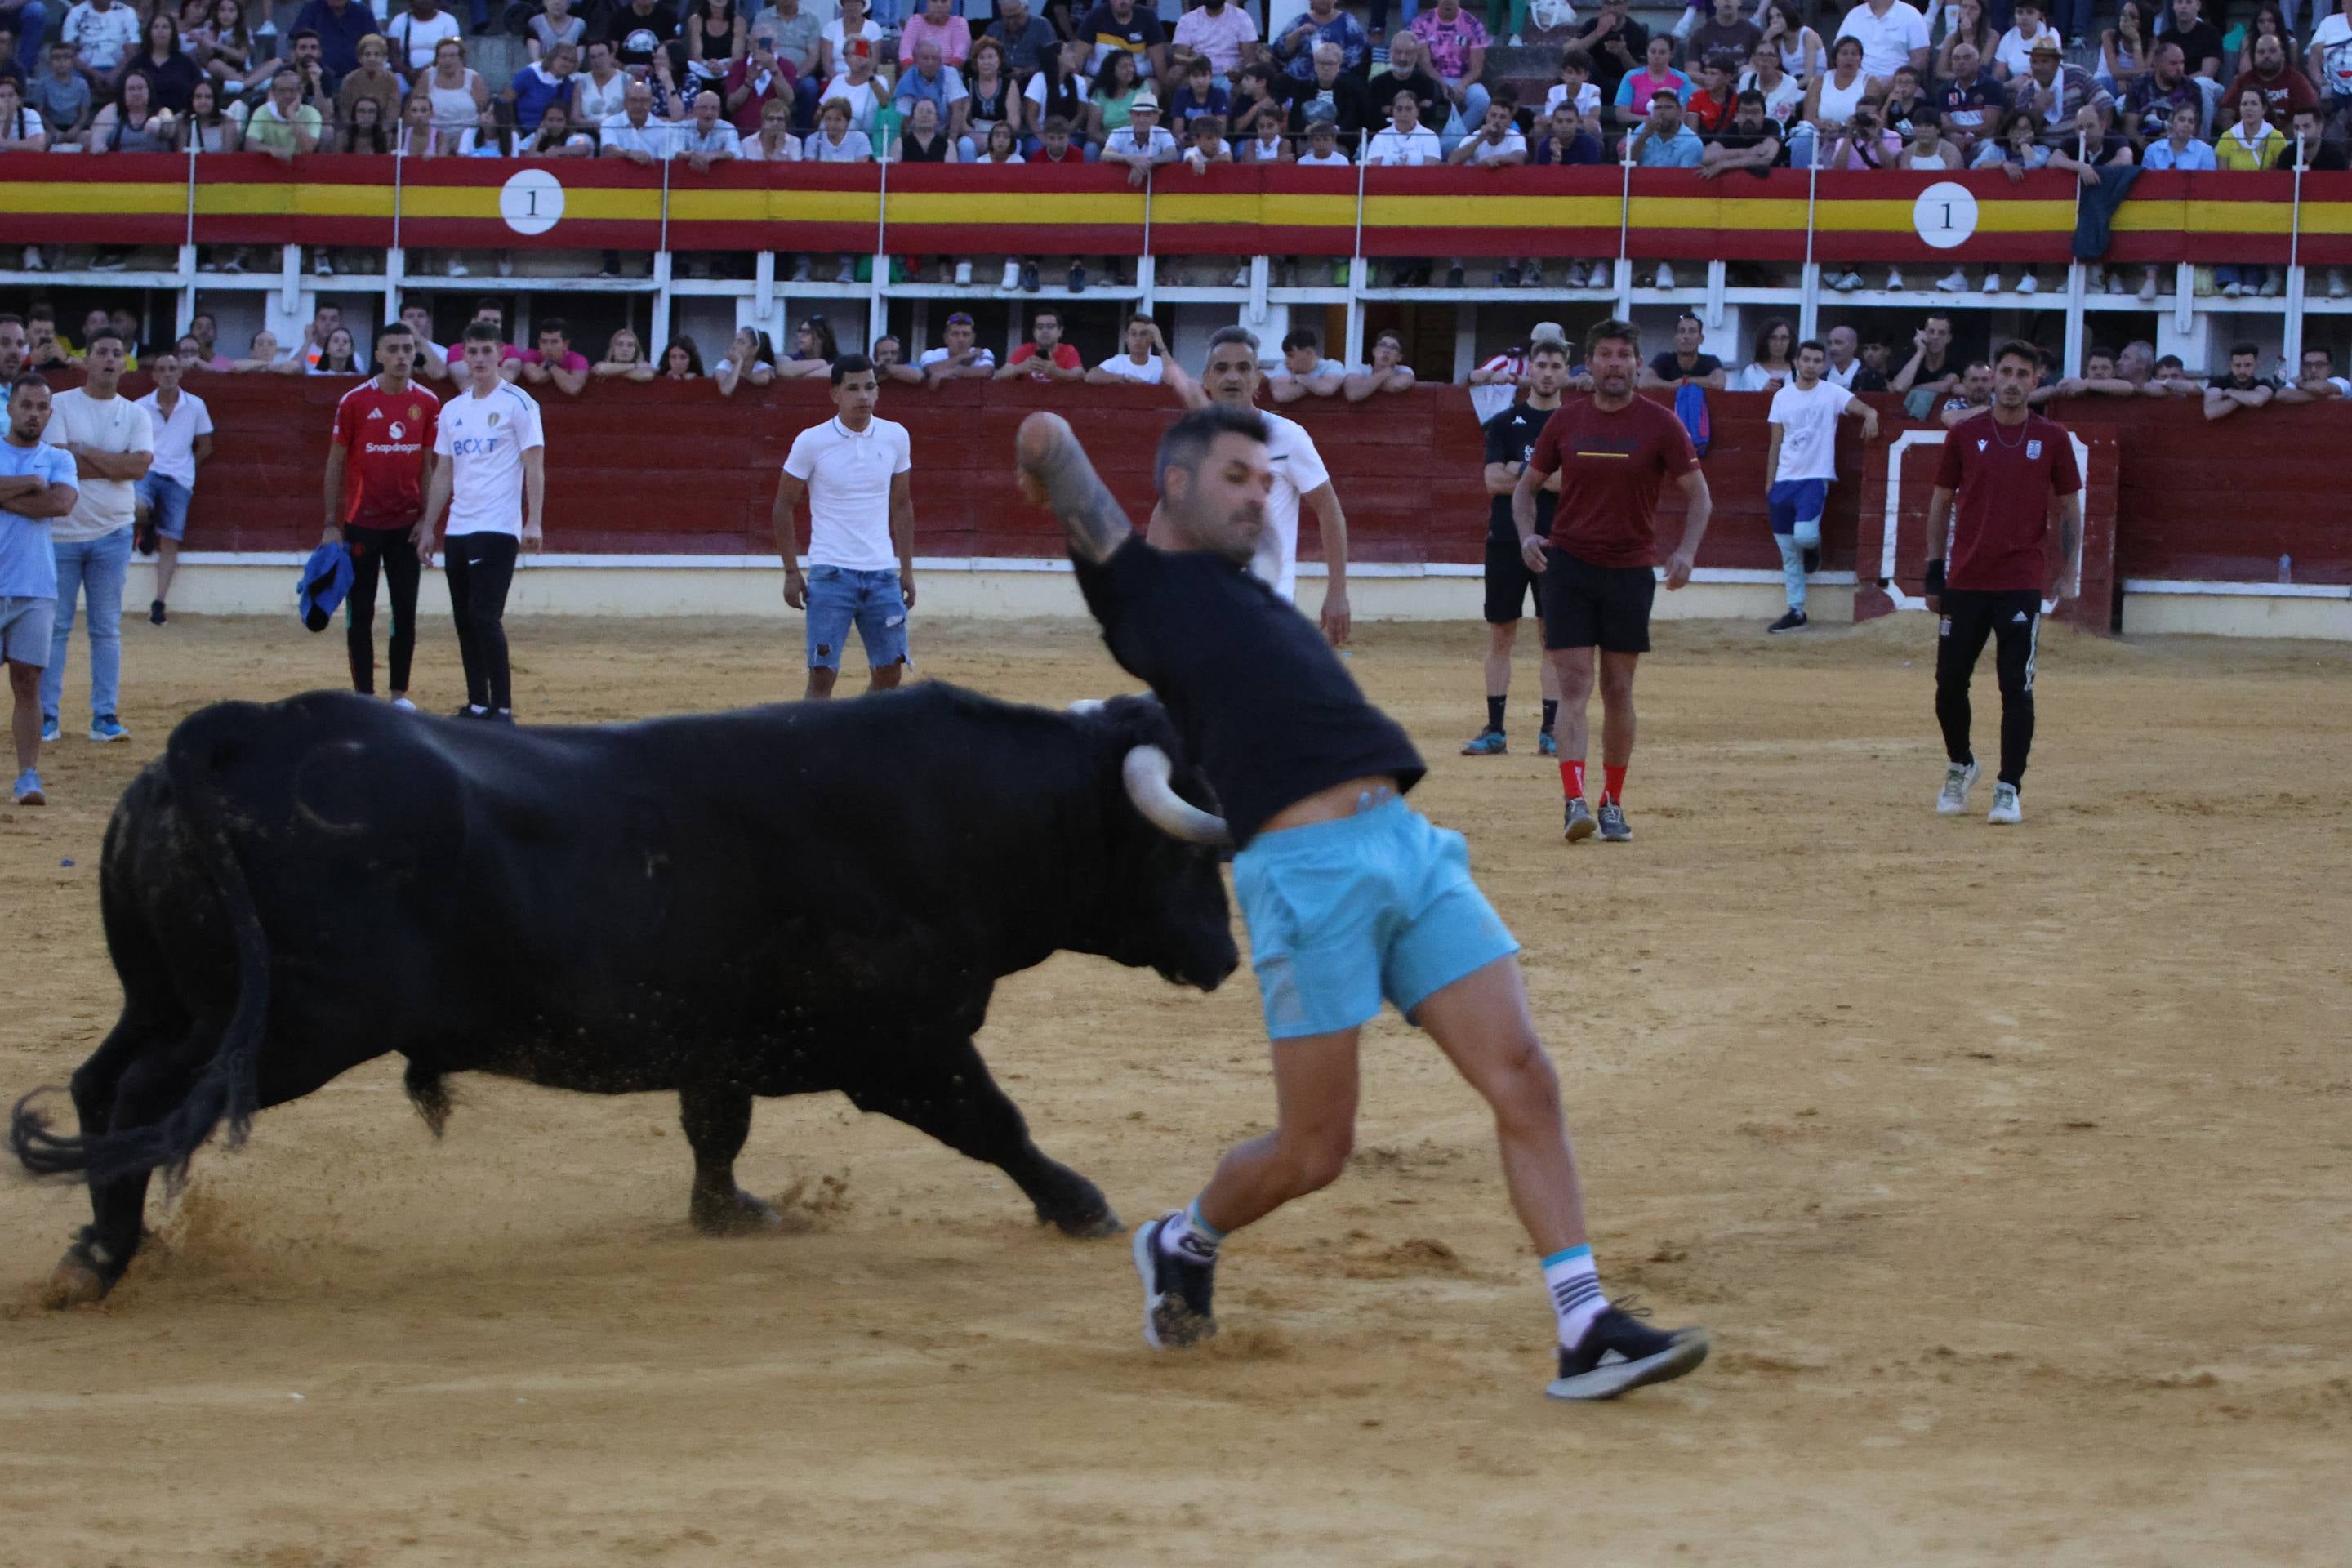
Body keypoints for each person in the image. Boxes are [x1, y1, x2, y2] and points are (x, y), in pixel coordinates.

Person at [1013, 403, 1709, 1401]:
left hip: (1409, 845)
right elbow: (1047, 430)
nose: (1262, 496)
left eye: (1268, 481)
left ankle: (1585, 1324)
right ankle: (1183, 1240)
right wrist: (1042, 466)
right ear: (1175, 485)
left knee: (1525, 1076)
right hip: (1305, 875)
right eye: (1238, 477)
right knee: (1314, 1152)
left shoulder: (1251, 595)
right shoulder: (1140, 590)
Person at [1512, 319, 1713, 844]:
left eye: (1624, 355)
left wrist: (1687, 550)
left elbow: (1700, 496)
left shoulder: (1662, 424)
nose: (1615, 363)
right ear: (1591, 364)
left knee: (1619, 687)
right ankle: (1574, 800)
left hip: (1629, 570)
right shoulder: (1565, 422)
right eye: (1605, 354)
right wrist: (1527, 535)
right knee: (1574, 685)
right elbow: (1525, 489)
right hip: (1570, 567)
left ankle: (1612, 801)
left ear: (1638, 364)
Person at [1924, 339, 2080, 826]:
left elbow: (2070, 508)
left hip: (2019, 580)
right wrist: (1934, 568)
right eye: (2006, 372)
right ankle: (1961, 763)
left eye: (2022, 375)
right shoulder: (1965, 434)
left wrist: (2070, 570)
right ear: (1993, 376)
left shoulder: (2052, 438)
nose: (2012, 382)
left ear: (2036, 381)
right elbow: (1941, 501)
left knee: (2016, 686)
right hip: (1966, 577)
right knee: (1949, 684)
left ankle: (2009, 787)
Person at [1163, 327, 1350, 644]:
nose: (1232, 377)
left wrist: (1337, 592)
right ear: (1207, 380)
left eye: (1243, 368)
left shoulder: (1288, 437)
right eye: (1222, 368)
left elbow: (1329, 510)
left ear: (1256, 379)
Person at [419, 321, 544, 723]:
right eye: (472, 352)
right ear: (463, 356)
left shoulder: (519, 403)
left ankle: (502, 707)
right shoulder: (452, 410)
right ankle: (477, 703)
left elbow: (534, 465)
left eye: (486, 351)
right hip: (458, 528)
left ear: (500, 354)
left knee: (484, 617)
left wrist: (534, 521)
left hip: (498, 526)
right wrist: (429, 526)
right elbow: (443, 472)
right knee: (464, 620)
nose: (478, 359)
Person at [772, 354, 915, 700]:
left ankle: (857, 728)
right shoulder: (812, 441)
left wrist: (907, 570)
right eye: (853, 388)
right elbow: (783, 505)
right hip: (830, 573)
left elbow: (902, 505)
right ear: (835, 394)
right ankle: (815, 736)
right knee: (822, 675)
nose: (863, 396)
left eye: (870, 387)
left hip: (881, 573)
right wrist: (791, 571)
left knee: (890, 671)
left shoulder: (896, 436)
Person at [38, 328, 149, 746]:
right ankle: (47, 715)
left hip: (113, 532)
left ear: (125, 364)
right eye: (101, 352)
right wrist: (115, 464)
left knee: (105, 628)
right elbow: (61, 465)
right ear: (87, 360)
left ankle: (104, 715)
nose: (109, 359)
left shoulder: (136, 414)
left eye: (116, 353)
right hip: (63, 533)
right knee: (56, 628)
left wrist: (85, 452)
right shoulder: (61, 403)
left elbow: (139, 469)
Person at [1463, 335, 1570, 759]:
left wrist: (1519, 469)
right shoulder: (1504, 422)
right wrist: (1542, 476)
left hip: (1557, 541)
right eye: (1541, 365)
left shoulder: (1574, 424)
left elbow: (1572, 482)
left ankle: (1550, 731)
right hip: (1507, 538)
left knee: (1552, 637)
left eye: (1555, 366)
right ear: (1530, 370)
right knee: (1500, 633)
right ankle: (1495, 730)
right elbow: (1492, 482)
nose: (1547, 373)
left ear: (1566, 372)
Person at [323, 321, 438, 709]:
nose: (402, 356)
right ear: (378, 355)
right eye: (394, 349)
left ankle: (399, 695)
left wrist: (426, 520)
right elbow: (335, 464)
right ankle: (365, 699)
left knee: (405, 611)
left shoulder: (428, 402)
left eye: (408, 348)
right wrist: (331, 523)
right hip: (362, 523)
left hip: (406, 525)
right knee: (361, 612)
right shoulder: (354, 401)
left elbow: (428, 466)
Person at [1762, 338, 1877, 634]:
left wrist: (1872, 414)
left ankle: (1813, 547)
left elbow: (1861, 407)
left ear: (1823, 364)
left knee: (1804, 535)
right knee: (1789, 553)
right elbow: (1775, 443)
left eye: (1816, 361)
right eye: (1806, 360)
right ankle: (1796, 611)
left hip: (1814, 478)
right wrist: (1770, 483)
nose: (1811, 365)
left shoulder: (1832, 392)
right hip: (1784, 480)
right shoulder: (1782, 397)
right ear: (1797, 362)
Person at [1, 373, 77, 805]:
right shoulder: (43, 466)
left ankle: (28, 776)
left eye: (41, 407)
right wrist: (30, 483)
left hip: (34, 585)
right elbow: (46, 498)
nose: (33, 414)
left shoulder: (59, 458)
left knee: (28, 683)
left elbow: (61, 504)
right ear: (10, 407)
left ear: (50, 413)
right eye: (26, 405)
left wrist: (4, 496)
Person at [130, 346, 212, 626]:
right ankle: (147, 524)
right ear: (153, 376)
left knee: (170, 541)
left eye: (173, 369)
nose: (168, 374)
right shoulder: (140, 406)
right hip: (150, 471)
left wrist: (186, 466)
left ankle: (159, 602)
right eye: (162, 370)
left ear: (180, 373)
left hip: (179, 478)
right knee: (137, 506)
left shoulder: (196, 405)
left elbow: (205, 446)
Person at [998, 310, 1086, 381]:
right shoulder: (1024, 350)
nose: (1045, 331)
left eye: (1050, 326)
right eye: (1040, 327)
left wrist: (1056, 371)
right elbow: (999, 375)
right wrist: (1019, 369)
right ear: (1034, 332)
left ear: (1060, 331)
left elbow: (1080, 374)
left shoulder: (1068, 350)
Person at [2203, 341, 2279, 419]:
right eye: (2238, 365)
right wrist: (2245, 399)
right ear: (2231, 365)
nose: (2242, 370)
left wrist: (2230, 392)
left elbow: (2257, 401)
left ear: (2256, 365)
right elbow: (2210, 412)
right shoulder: (2218, 382)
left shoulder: (2264, 383)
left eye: (2248, 365)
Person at [1087, 314, 1171, 383]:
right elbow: (1090, 376)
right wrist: (1125, 377)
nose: (1138, 339)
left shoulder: (1160, 363)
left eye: (1143, 334)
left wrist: (1160, 343)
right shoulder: (1118, 362)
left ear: (1151, 338)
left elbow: (1173, 379)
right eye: (1133, 334)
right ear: (1127, 338)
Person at [917, 312, 995, 382]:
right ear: (946, 338)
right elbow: (932, 370)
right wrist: (962, 357)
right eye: (955, 334)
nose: (961, 339)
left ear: (973, 339)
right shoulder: (932, 354)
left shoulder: (983, 352)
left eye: (966, 334)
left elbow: (988, 371)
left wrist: (954, 372)